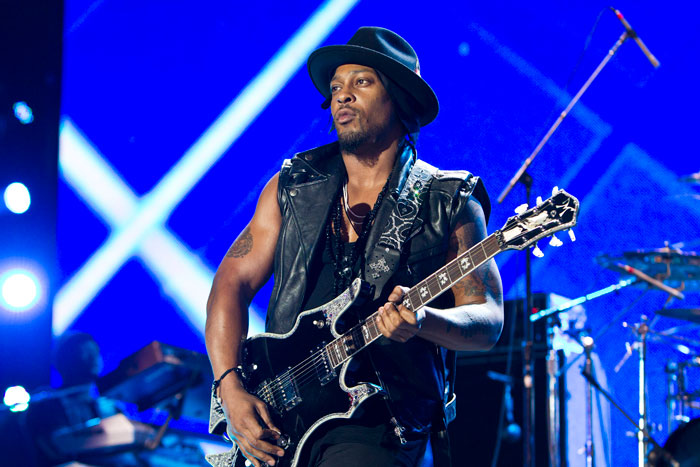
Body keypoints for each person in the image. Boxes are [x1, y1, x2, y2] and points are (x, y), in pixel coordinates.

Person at [205, 26, 504, 467]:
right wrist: (229, 387)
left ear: (399, 98)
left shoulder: (448, 200)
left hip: (383, 422)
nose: (343, 95)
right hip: (282, 420)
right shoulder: (292, 186)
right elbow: (231, 283)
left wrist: (424, 320)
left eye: (362, 82)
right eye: (336, 87)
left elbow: (487, 317)